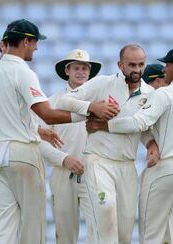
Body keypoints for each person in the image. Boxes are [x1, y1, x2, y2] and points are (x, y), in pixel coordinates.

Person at [0, 19, 118, 244]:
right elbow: (47, 115)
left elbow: (14, 117)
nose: (36, 47)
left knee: (2, 223)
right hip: (34, 159)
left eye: (85, 68)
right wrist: (90, 111)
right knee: (40, 227)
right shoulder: (30, 78)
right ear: (25, 41)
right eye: (34, 42)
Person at [86, 48, 173, 244]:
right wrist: (150, 142)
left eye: (167, 66)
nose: (164, 70)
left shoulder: (166, 93)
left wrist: (103, 125)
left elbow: (138, 123)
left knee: (151, 233)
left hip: (166, 167)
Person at [57, 44, 158, 244]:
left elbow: (144, 128)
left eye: (141, 65)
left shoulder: (149, 93)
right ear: (120, 65)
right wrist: (92, 106)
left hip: (127, 165)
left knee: (124, 233)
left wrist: (151, 144)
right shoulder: (103, 83)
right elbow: (64, 101)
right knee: (106, 212)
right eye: (131, 65)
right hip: (99, 161)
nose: (136, 70)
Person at [43, 49, 101, 244]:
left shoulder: (99, 102)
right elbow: (38, 142)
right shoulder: (52, 102)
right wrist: (64, 159)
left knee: (99, 228)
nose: (81, 72)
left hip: (92, 171)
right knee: (65, 233)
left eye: (85, 68)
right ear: (67, 70)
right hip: (62, 172)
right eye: (76, 67)